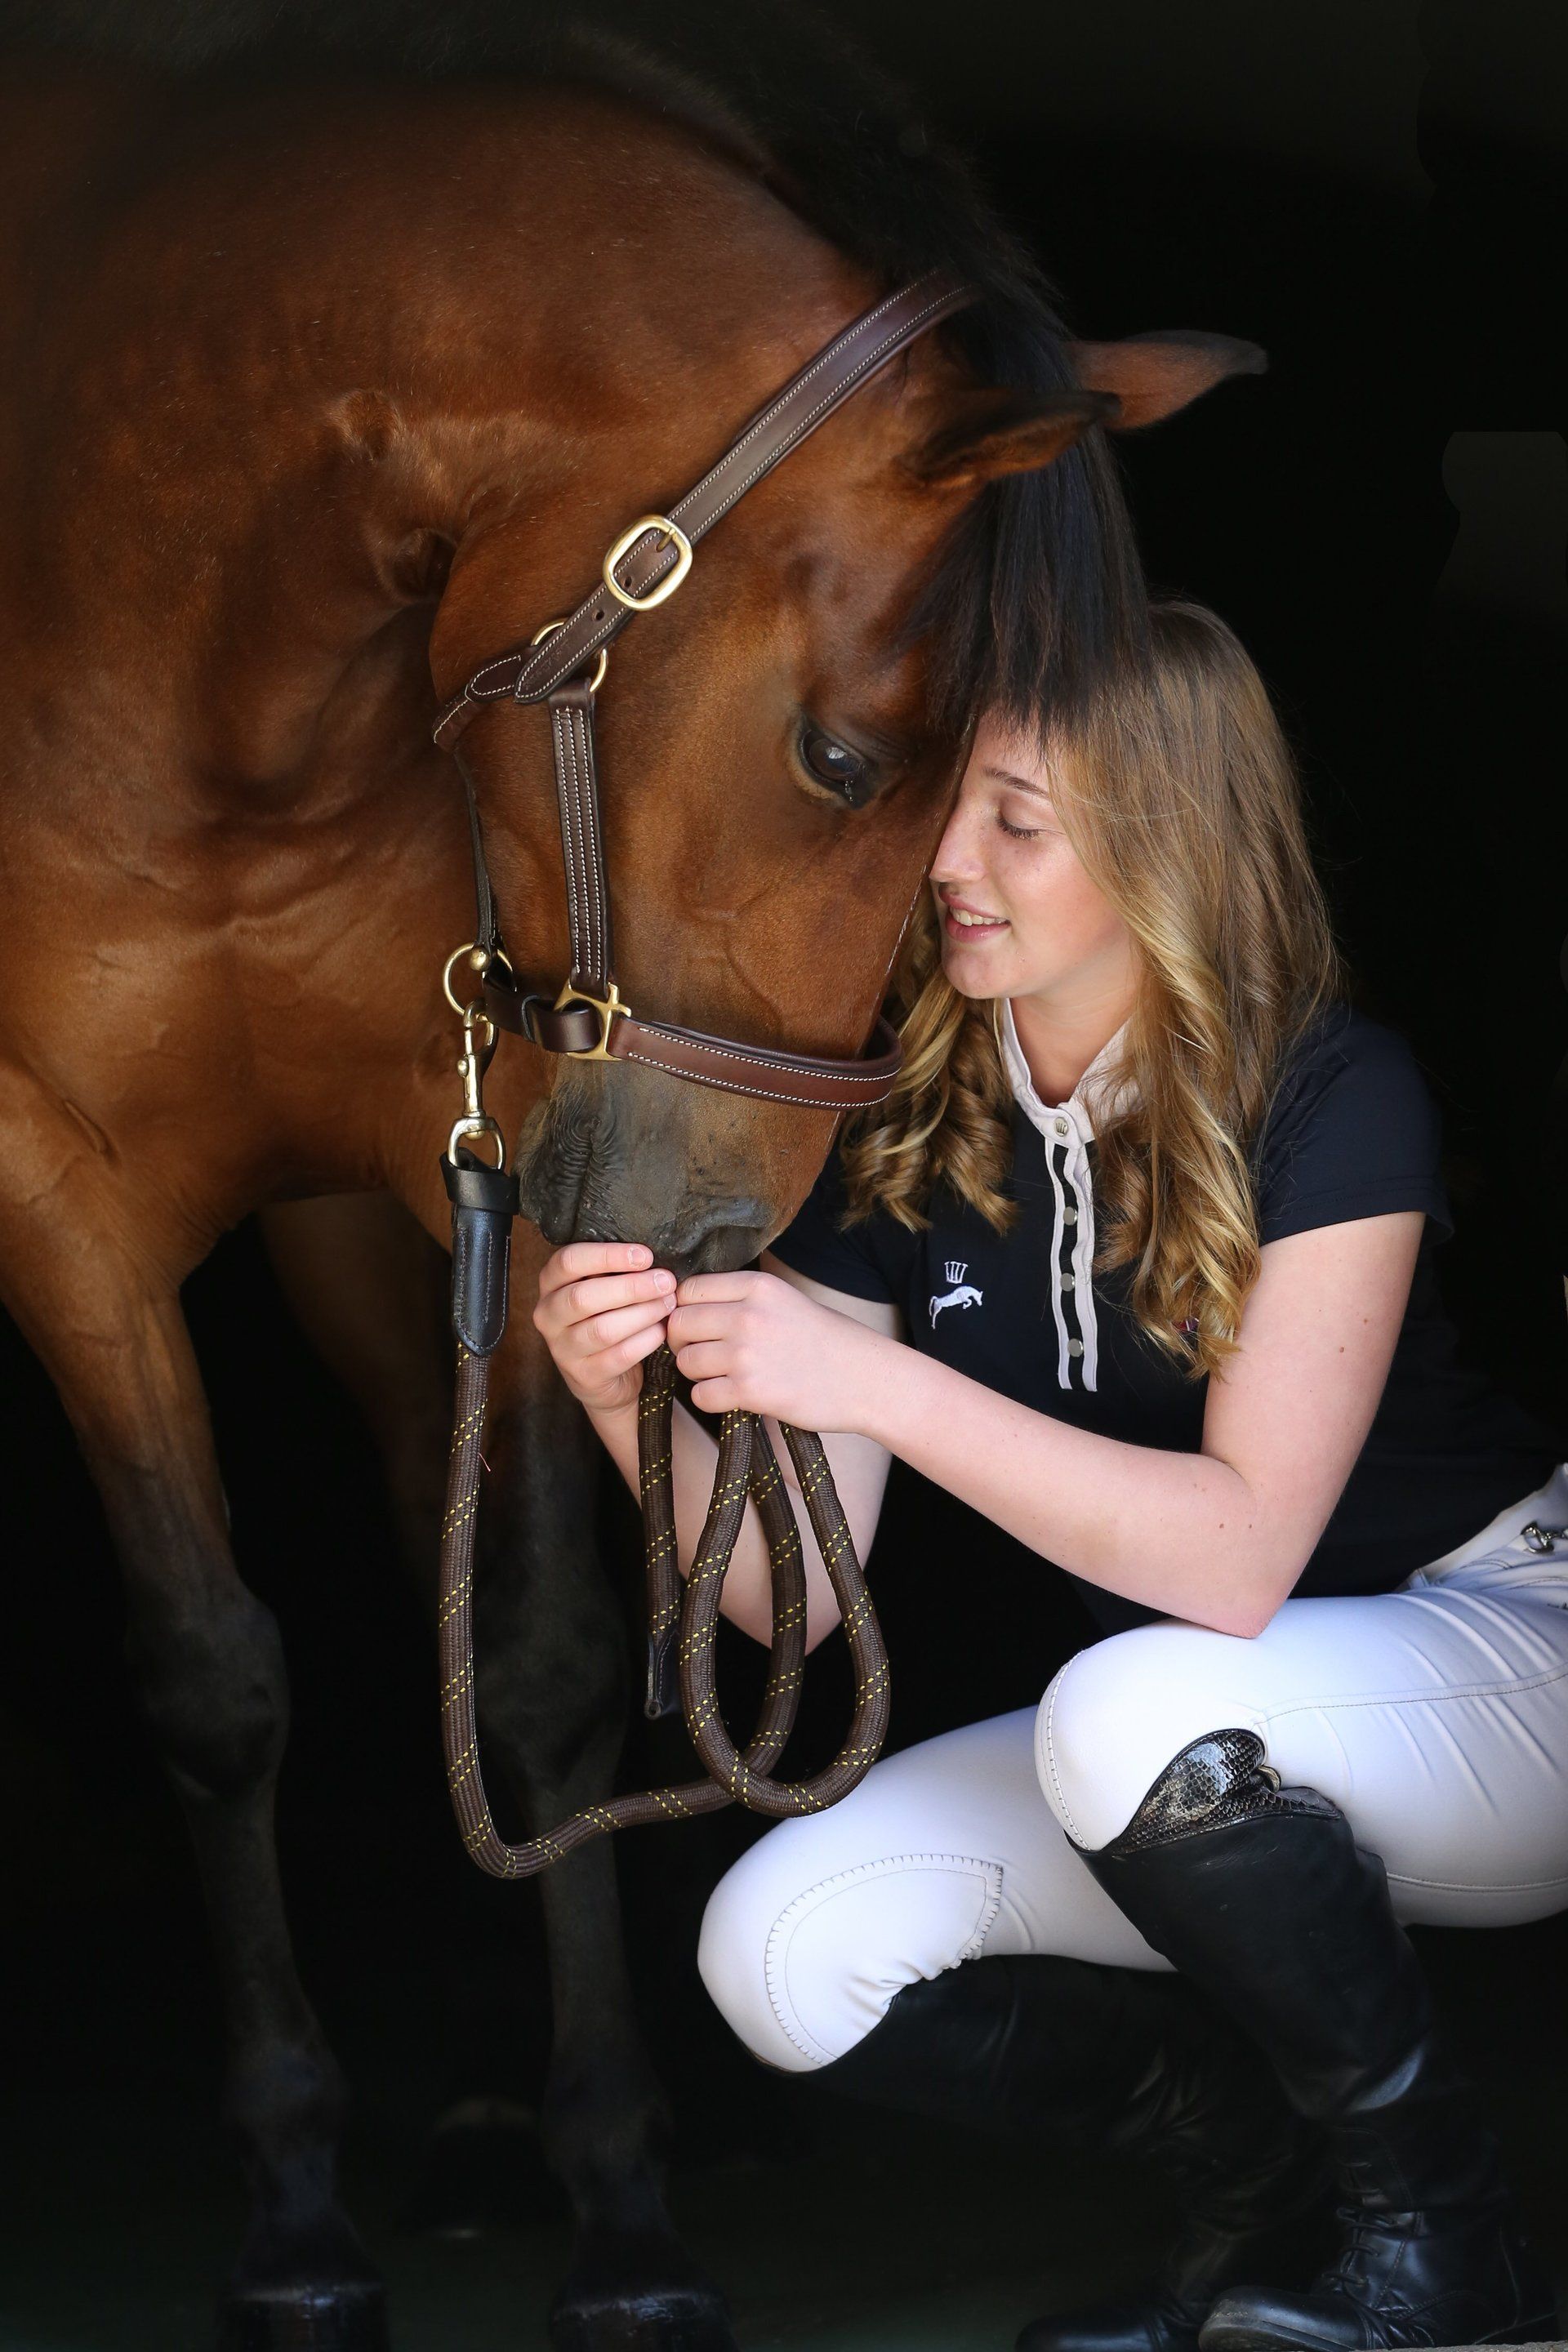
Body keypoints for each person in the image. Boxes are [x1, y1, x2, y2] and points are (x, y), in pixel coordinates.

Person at [532, 602, 1568, 2352]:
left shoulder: (1332, 1088)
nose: (949, 859)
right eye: (949, 805)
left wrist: (874, 1379)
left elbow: (1236, 1563)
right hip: (1195, 1734)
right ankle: (1266, 2218)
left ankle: (1457, 2256)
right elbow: (798, 1596)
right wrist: (624, 1405)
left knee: (1127, 1704)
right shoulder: (910, 1125)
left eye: (1018, 817)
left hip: (1502, 1654)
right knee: (777, 1949)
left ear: (1168, 836)